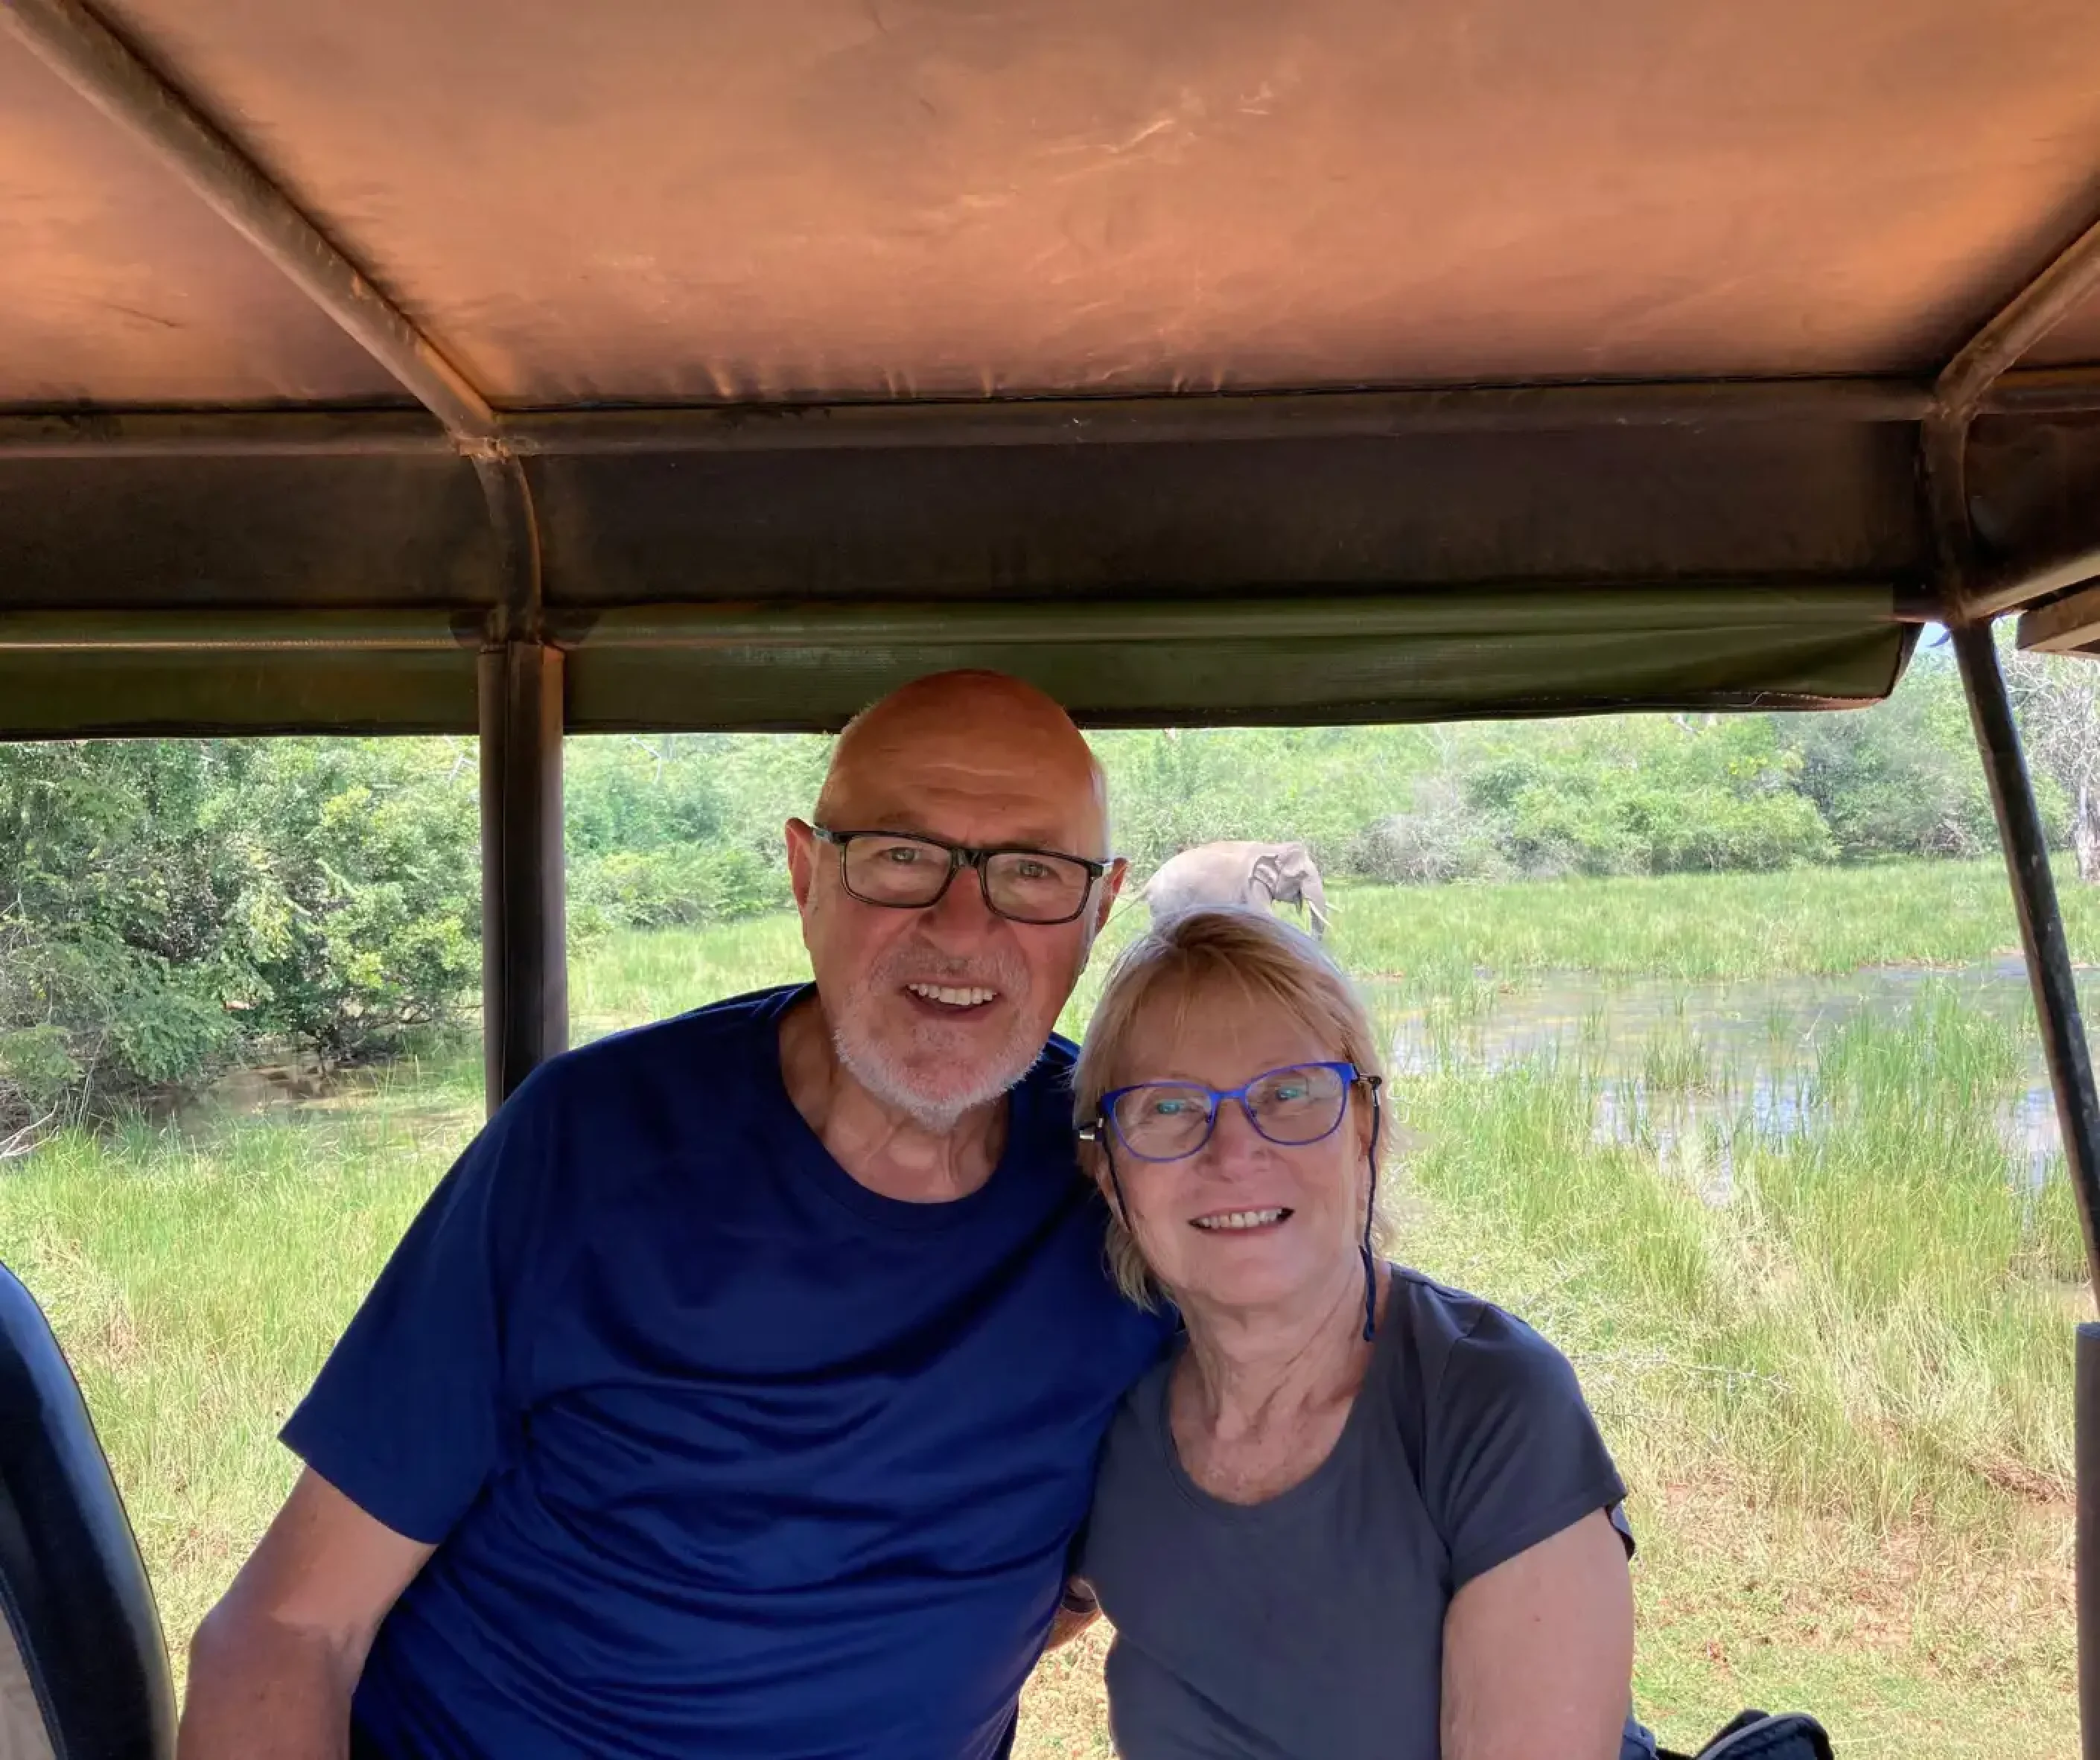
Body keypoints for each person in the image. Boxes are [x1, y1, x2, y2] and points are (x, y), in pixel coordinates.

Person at [178, 670, 1171, 1760]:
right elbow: (287, 1629)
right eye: (903, 854)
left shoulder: (1139, 1176)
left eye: (1032, 871)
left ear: (1100, 907)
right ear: (807, 874)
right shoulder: (591, 1145)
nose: (961, 922)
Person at [1067, 906, 1653, 1760]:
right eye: (1168, 1108)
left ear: (1365, 1132)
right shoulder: (1104, 1407)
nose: (1234, 1152)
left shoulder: (1486, 1404)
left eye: (1289, 1094)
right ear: (1111, 1175)